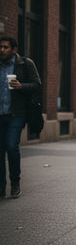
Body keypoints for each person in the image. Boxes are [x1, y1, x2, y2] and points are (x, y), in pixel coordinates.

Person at [0, 36, 41, 198]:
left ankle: (15, 182)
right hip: (0, 113)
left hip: (17, 113)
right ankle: (1, 187)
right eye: (0, 47)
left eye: (5, 47)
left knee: (11, 145)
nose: (2, 50)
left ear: (14, 49)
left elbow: (37, 84)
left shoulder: (25, 64)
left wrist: (21, 86)